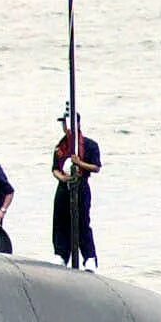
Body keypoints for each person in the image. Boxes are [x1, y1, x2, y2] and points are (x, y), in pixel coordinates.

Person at [51, 111, 103, 269]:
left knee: (82, 222)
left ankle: (89, 258)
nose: (64, 127)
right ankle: (61, 254)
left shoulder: (89, 145)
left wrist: (79, 163)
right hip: (63, 187)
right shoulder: (61, 146)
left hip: (81, 186)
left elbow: (96, 167)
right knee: (60, 221)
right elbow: (54, 169)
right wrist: (62, 177)